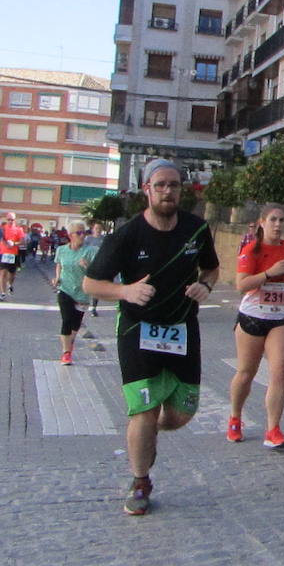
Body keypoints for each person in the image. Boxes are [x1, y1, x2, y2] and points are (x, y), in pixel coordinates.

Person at [83, 159, 220, 516]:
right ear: (147, 189)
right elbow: (91, 283)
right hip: (137, 330)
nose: (167, 191)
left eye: (173, 185)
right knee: (143, 410)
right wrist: (126, 292)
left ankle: (148, 433)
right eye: (159, 185)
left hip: (182, 330)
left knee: (179, 415)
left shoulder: (196, 229)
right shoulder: (126, 236)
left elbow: (212, 267)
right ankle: (140, 480)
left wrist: (205, 285)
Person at [228, 204, 284, 450]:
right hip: (253, 316)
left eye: (282, 220)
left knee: (279, 372)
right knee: (246, 373)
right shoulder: (252, 249)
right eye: (273, 220)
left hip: (282, 316)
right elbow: (241, 284)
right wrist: (268, 274)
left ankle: (273, 429)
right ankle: (235, 417)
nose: (278, 225)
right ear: (262, 222)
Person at [50, 223, 98, 364]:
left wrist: (88, 267)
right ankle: (66, 353)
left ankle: (69, 344)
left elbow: (98, 272)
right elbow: (59, 264)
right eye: (79, 233)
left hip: (83, 292)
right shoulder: (61, 250)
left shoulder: (90, 251)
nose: (82, 236)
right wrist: (57, 277)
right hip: (65, 289)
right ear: (71, 235)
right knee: (66, 320)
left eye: (84, 232)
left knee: (76, 324)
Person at [0, 211, 25, 298]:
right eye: (9, 219)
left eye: (12, 220)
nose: (10, 221)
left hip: (13, 254)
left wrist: (14, 244)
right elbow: (1, 238)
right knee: (3, 273)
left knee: (12, 273)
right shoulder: (3, 228)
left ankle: (10, 284)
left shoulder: (19, 229)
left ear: (15, 220)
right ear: (6, 219)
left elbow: (22, 241)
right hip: (3, 253)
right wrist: (6, 244)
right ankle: (3, 293)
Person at [84, 222, 106, 316]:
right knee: (84, 285)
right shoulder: (88, 239)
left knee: (96, 286)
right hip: (88, 264)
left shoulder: (104, 239)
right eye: (96, 228)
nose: (98, 230)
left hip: (99, 265)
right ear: (93, 229)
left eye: (100, 228)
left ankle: (94, 307)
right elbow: (83, 250)